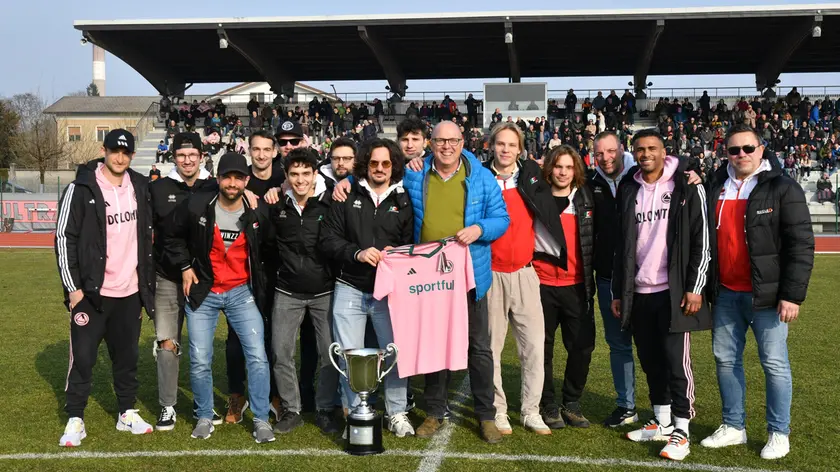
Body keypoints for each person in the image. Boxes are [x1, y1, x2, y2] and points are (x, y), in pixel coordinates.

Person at [700, 123, 814, 460]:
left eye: (748, 148)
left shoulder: (782, 187)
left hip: (767, 298)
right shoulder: (715, 186)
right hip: (725, 294)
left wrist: (792, 295)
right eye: (734, 150)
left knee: (775, 364)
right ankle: (733, 426)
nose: (741, 155)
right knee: (725, 361)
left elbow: (801, 244)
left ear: (761, 149)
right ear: (726, 154)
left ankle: (779, 432)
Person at [402, 121, 510, 443]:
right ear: (430, 143)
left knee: (478, 347)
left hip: (469, 275)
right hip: (429, 277)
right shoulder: (414, 173)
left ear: (463, 142)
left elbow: (501, 218)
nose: (446, 146)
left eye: (452, 140)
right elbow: (375, 178)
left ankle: (486, 415)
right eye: (440, 140)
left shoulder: (481, 177)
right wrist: (345, 182)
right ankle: (435, 412)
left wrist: (479, 230)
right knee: (435, 346)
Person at [611, 129, 711, 461]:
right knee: (650, 360)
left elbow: (701, 238)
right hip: (638, 291)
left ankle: (682, 427)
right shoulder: (628, 187)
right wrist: (618, 292)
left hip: (673, 292)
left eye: (652, 148)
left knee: (676, 363)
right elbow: (621, 246)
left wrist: (695, 288)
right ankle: (662, 420)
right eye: (639, 149)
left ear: (664, 150)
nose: (645, 154)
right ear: (633, 153)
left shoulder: (686, 184)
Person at [164, 152, 275, 443]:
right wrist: (186, 267)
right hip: (205, 292)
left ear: (246, 180)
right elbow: (170, 236)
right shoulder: (198, 204)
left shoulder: (257, 210)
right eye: (227, 176)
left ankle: (262, 419)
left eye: (239, 177)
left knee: (258, 357)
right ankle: (204, 415)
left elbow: (270, 249)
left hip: (241, 292)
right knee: (200, 358)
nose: (233, 182)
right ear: (218, 178)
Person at [55, 129, 156, 447]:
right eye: (115, 151)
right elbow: (63, 238)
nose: (120, 157)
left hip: (129, 292)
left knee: (126, 358)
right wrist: (73, 289)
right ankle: (76, 418)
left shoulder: (140, 186)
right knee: (83, 358)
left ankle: (126, 412)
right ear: (104, 150)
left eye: (126, 152)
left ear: (132, 155)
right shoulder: (81, 186)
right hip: (91, 293)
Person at [319, 138, 416, 438]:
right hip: (349, 286)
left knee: (394, 353)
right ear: (365, 164)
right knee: (350, 356)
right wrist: (356, 253)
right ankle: (354, 412)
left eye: (386, 163)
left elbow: (409, 246)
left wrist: (396, 256)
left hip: (388, 293)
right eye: (374, 163)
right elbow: (328, 240)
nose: (380, 168)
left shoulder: (403, 200)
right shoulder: (346, 194)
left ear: (394, 166)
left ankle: (397, 412)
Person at [480, 123, 551, 436]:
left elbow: (570, 181)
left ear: (520, 149)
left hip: (524, 272)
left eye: (511, 145)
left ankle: (531, 410)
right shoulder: (479, 177)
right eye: (500, 144)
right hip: (490, 274)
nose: (505, 150)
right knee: (491, 349)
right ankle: (498, 410)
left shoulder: (532, 176)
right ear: (492, 146)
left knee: (534, 346)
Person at [268, 148, 341, 435]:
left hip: (325, 291)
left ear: (315, 174)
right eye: (294, 174)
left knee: (328, 354)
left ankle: (324, 409)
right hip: (287, 291)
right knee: (281, 352)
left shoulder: (331, 201)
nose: (300, 180)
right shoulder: (277, 205)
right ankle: (292, 409)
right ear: (286, 176)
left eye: (306, 174)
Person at [149, 132, 218, 431]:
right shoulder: (158, 188)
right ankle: (167, 406)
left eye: (193, 155)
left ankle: (205, 402)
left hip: (205, 278)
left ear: (202, 156)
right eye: (181, 155)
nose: (187, 160)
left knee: (202, 347)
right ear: (173, 156)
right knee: (167, 342)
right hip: (167, 275)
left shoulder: (216, 186)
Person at [532, 145, 596, 430]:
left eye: (569, 167)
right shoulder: (535, 196)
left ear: (576, 171)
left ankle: (571, 402)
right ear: (549, 168)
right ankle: (548, 403)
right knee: (541, 349)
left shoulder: (586, 197)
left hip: (576, 286)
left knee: (581, 347)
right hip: (540, 285)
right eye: (558, 166)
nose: (563, 172)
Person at [589, 132, 640, 428]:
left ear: (621, 149)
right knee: (618, 345)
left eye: (611, 151)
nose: (606, 158)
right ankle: (626, 406)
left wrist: (689, 166)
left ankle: (666, 407)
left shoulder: (639, 175)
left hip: (645, 280)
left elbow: (673, 163)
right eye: (599, 153)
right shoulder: (589, 182)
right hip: (608, 278)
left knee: (652, 345)